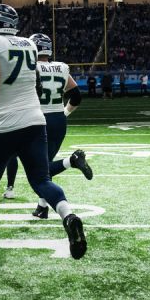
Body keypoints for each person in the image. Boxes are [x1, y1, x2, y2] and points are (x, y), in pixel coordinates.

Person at [0, 4, 87, 259]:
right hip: (35, 121)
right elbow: (34, 82)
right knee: (41, 180)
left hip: (2, 124)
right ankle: (69, 215)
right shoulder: (29, 45)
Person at [23, 33, 93, 219]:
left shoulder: (29, 68)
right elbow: (76, 96)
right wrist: (64, 113)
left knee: (39, 171)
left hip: (37, 120)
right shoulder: (61, 67)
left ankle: (72, 160)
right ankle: (42, 207)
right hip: (58, 120)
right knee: (44, 165)